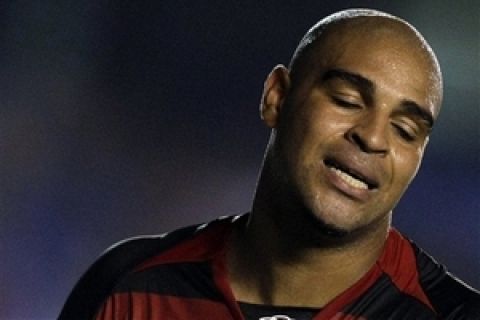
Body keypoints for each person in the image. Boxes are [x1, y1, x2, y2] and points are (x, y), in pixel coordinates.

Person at [60, 8, 480, 320]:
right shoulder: (128, 286)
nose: (372, 137)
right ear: (276, 97)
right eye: (347, 101)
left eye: (405, 130)